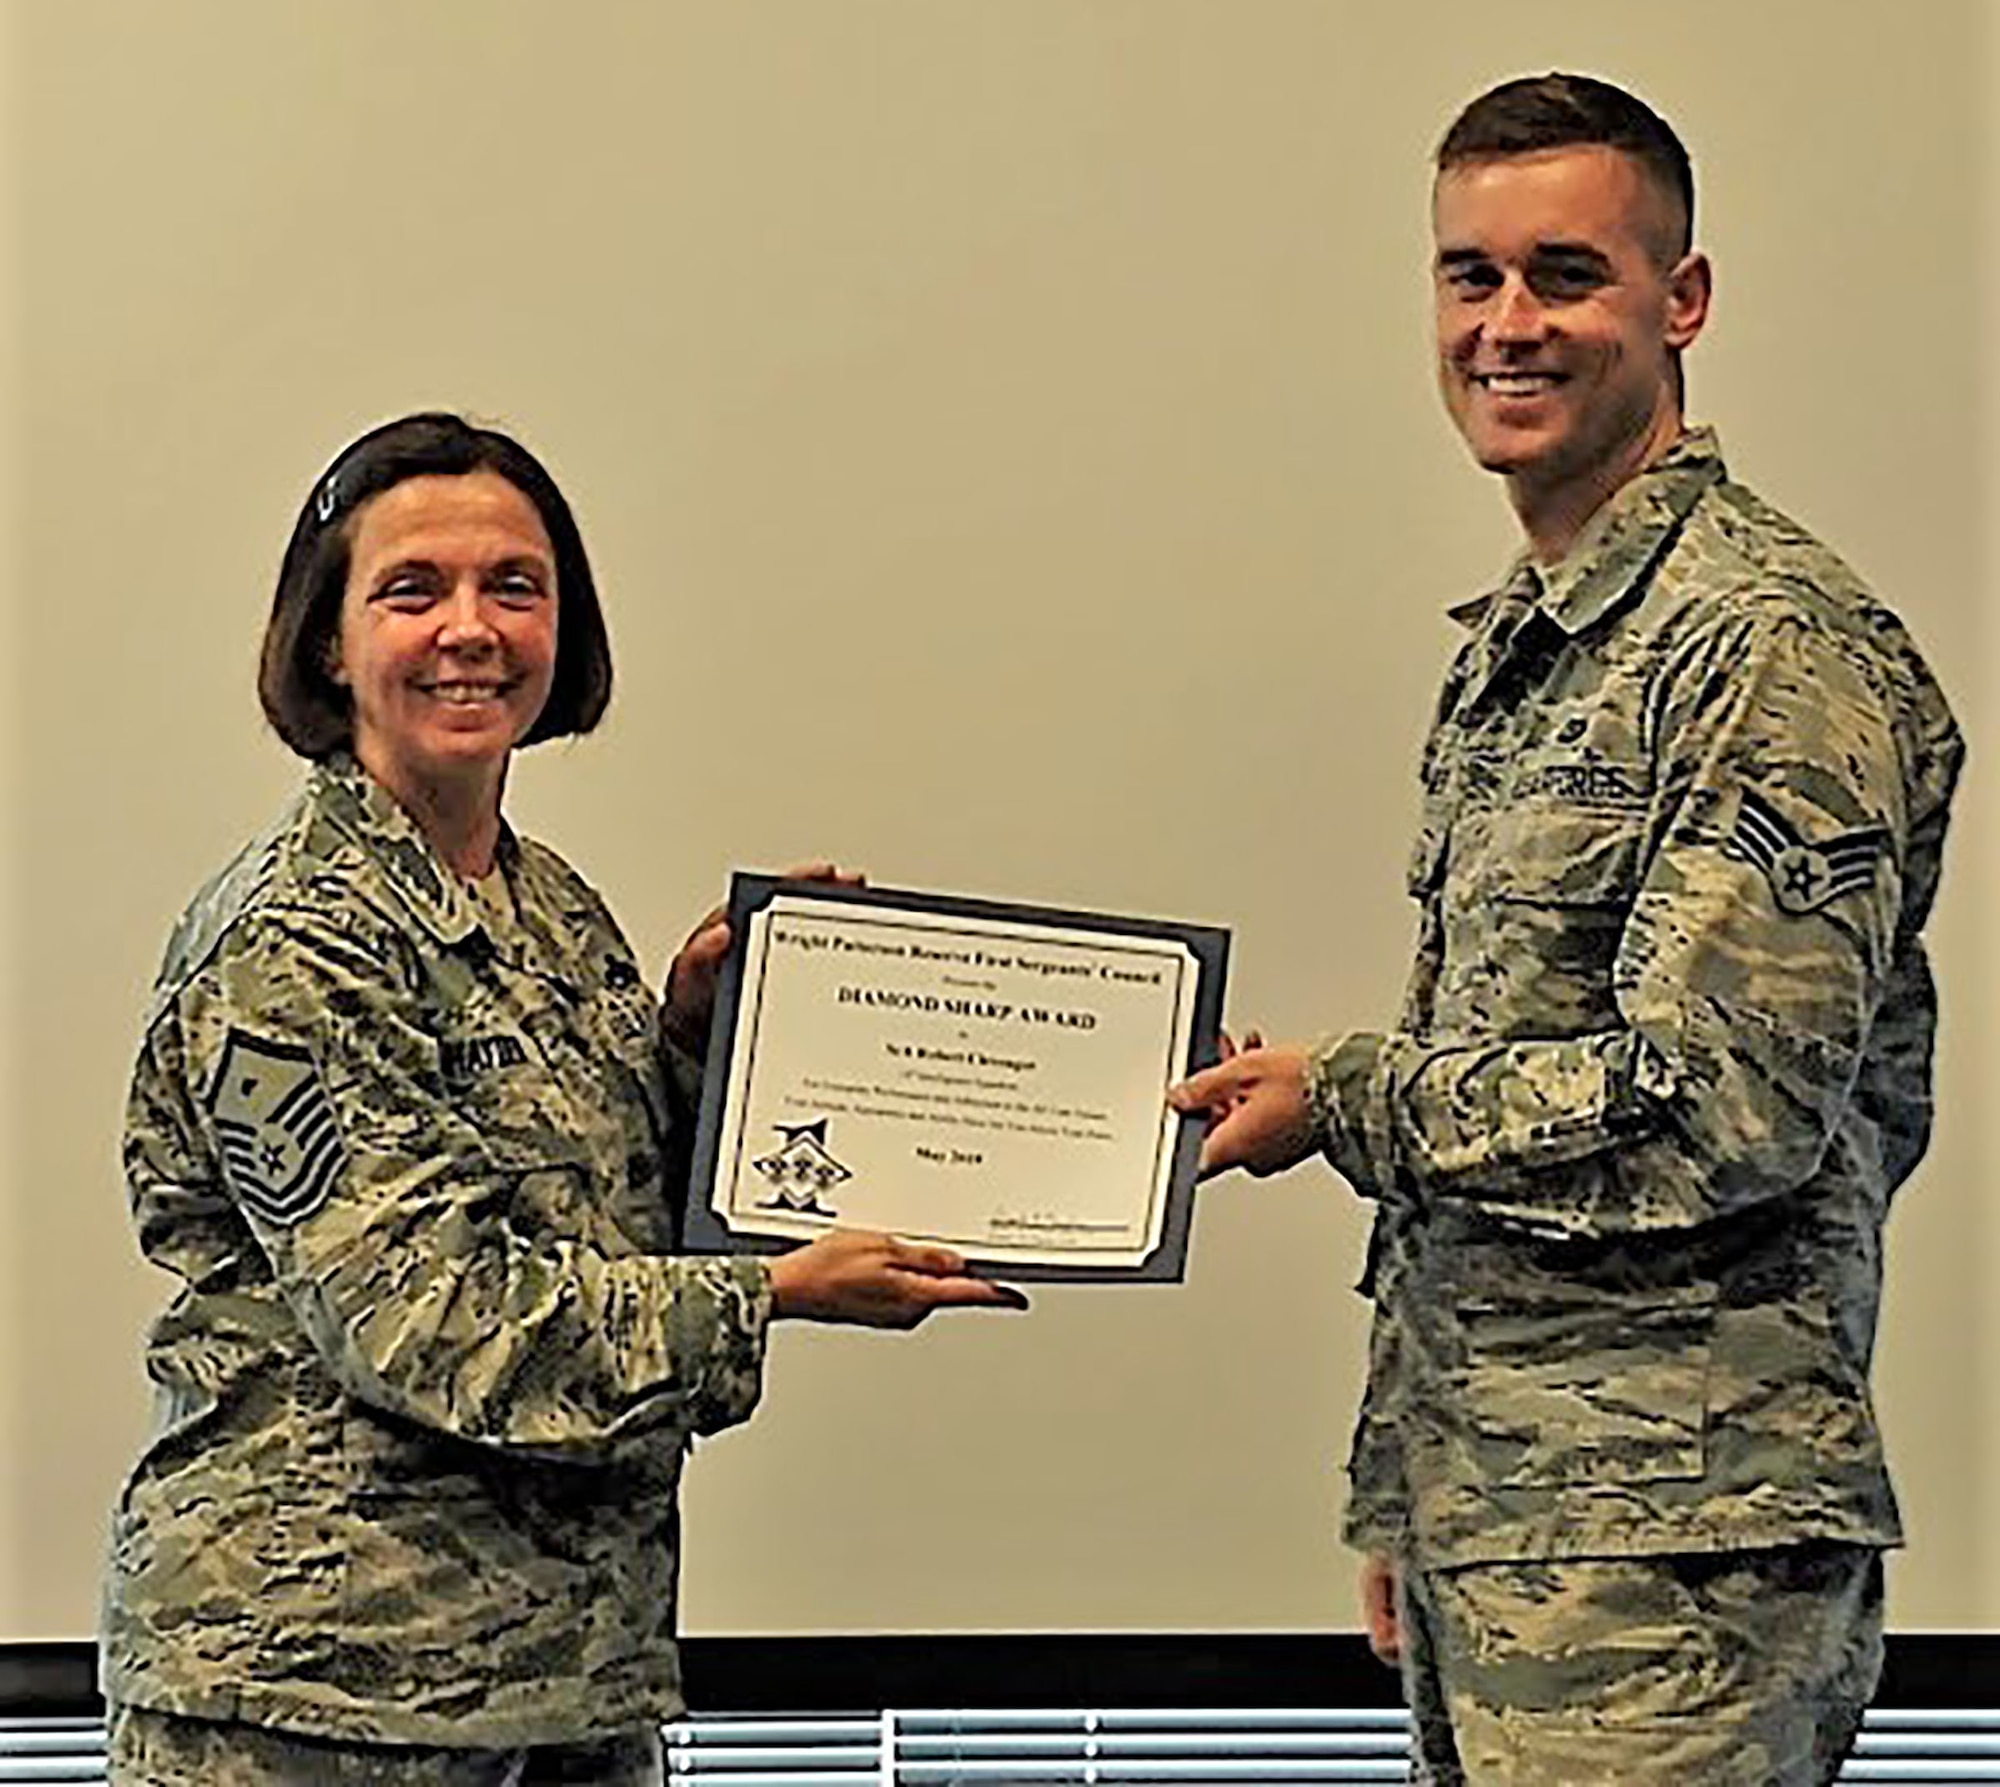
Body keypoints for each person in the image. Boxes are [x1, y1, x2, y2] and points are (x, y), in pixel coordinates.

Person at [1170, 73, 1962, 1786]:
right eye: (1469, 277)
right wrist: (1416, 1480)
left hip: (1672, 1565)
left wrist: (1353, 1099)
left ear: (1682, 302)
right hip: (1518, 1530)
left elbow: (1716, 1109)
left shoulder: (1767, 651)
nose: (1506, 326)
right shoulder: (1544, 641)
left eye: (1563, 274)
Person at [101, 412, 1026, 1786]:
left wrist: (705, 1053)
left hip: (561, 1692)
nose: (470, 629)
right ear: (326, 645)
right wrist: (773, 1294)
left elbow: (605, 1213)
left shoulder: (548, 909)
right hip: (319, 1703)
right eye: (412, 591)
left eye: (514, 587)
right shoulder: (293, 938)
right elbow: (436, 1321)